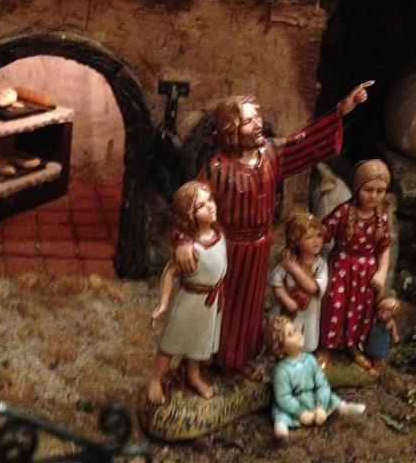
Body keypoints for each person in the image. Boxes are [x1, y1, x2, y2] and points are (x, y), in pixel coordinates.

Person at [174, 81, 373, 375]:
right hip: (226, 249)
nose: (257, 125)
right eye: (248, 121)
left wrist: (341, 111)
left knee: (250, 307)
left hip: (259, 247)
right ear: (231, 129)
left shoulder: (270, 154)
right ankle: (206, 360)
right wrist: (183, 239)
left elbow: (302, 143)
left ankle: (240, 359)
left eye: (257, 117)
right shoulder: (217, 168)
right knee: (221, 305)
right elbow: (192, 202)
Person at [147, 181, 226, 405]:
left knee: (199, 342)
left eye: (210, 200)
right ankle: (155, 379)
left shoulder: (218, 233)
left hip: (211, 301)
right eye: (200, 206)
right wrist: (163, 304)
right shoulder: (191, 248)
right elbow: (169, 272)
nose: (210, 206)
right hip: (190, 301)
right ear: (189, 215)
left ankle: (193, 375)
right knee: (172, 341)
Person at [317, 159, 391, 374]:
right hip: (342, 267)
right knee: (335, 305)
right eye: (368, 190)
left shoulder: (382, 218)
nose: (374, 196)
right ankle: (325, 348)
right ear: (357, 187)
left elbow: (384, 248)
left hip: (366, 271)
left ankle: (353, 346)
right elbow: (322, 233)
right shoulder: (342, 212)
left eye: (380, 191)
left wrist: (382, 272)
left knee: (360, 309)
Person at [267, 314, 366, 441]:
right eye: (291, 334)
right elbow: (283, 397)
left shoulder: (310, 359)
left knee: (331, 397)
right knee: (281, 412)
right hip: (294, 403)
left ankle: (343, 407)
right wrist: (301, 413)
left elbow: (322, 384)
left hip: (312, 397)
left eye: (295, 330)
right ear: (279, 347)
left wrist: (321, 406)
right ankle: (281, 428)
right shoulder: (281, 370)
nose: (298, 335)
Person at [269, 208, 328, 353]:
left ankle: (305, 356)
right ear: (296, 241)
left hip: (310, 310)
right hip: (288, 310)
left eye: (319, 236)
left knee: (308, 339)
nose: (316, 241)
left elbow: (313, 288)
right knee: (287, 335)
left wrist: (294, 269)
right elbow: (276, 282)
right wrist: (286, 300)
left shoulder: (320, 265)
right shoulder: (287, 260)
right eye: (309, 238)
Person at [364, 296, 401, 375]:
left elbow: (394, 333)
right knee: (367, 354)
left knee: (378, 359)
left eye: (387, 313)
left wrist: (395, 338)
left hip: (381, 345)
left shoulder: (391, 323)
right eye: (381, 311)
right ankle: (368, 365)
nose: (383, 315)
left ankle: (376, 368)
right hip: (370, 342)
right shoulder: (373, 319)